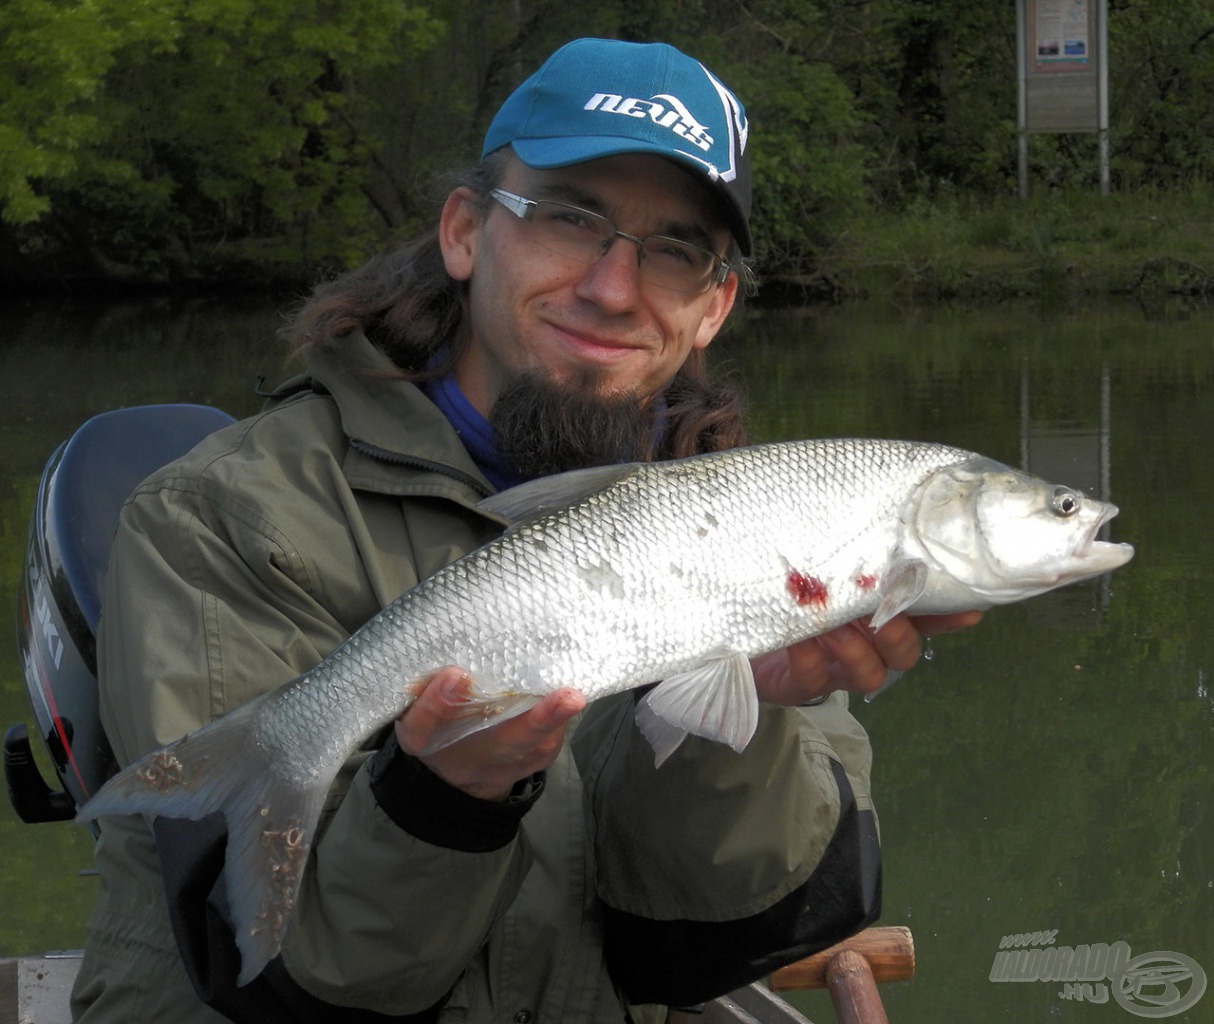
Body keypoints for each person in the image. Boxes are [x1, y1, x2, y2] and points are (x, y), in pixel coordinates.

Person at [71, 37, 979, 1024]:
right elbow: (297, 989)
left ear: (712, 306)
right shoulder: (217, 513)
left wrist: (737, 720)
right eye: (569, 218)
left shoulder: (760, 527)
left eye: (674, 250)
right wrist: (440, 800)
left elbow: (706, 943)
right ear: (463, 232)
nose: (612, 287)